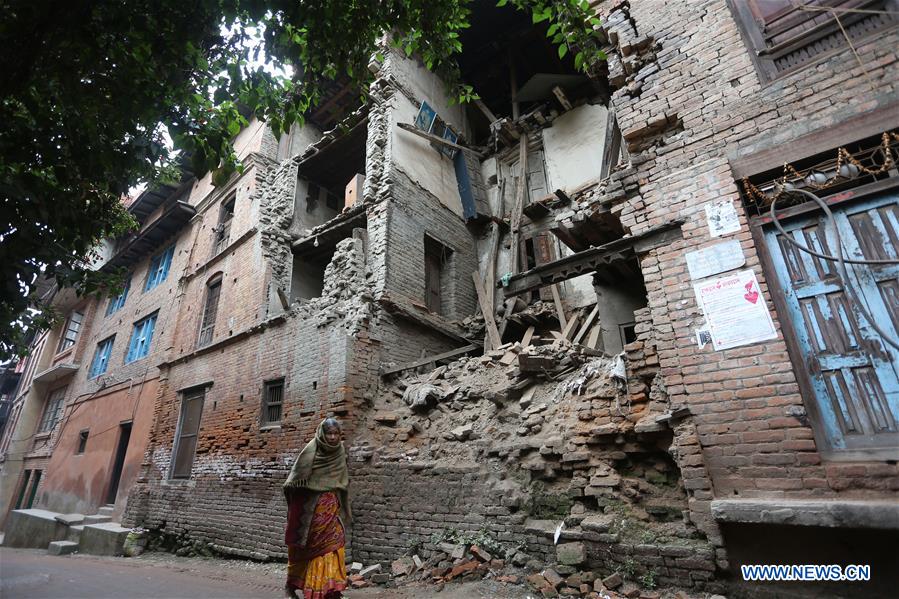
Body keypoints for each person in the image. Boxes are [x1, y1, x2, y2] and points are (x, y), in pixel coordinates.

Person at [283, 417, 351, 599]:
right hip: (310, 509)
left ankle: (331, 589)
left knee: (335, 544)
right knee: (308, 549)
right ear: (322, 433)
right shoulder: (311, 450)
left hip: (331, 506)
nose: (333, 437)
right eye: (329, 433)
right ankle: (292, 585)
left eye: (336, 433)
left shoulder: (339, 452)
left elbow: (341, 480)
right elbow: (295, 478)